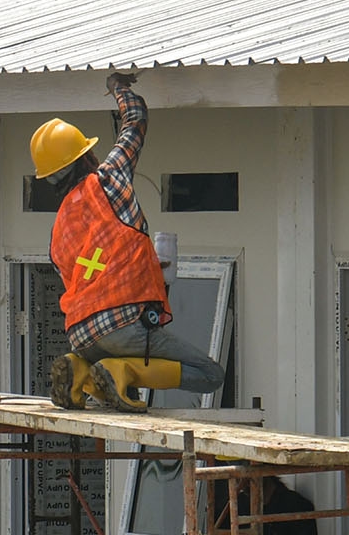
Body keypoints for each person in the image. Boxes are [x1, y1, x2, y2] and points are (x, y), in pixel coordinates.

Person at [30, 72, 225, 411]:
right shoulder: (109, 179)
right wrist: (117, 87)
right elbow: (135, 122)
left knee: (98, 357)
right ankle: (124, 369)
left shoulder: (58, 228)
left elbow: (92, 275)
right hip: (123, 328)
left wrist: (146, 266)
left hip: (81, 335)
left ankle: (80, 371)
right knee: (210, 374)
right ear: (85, 156)